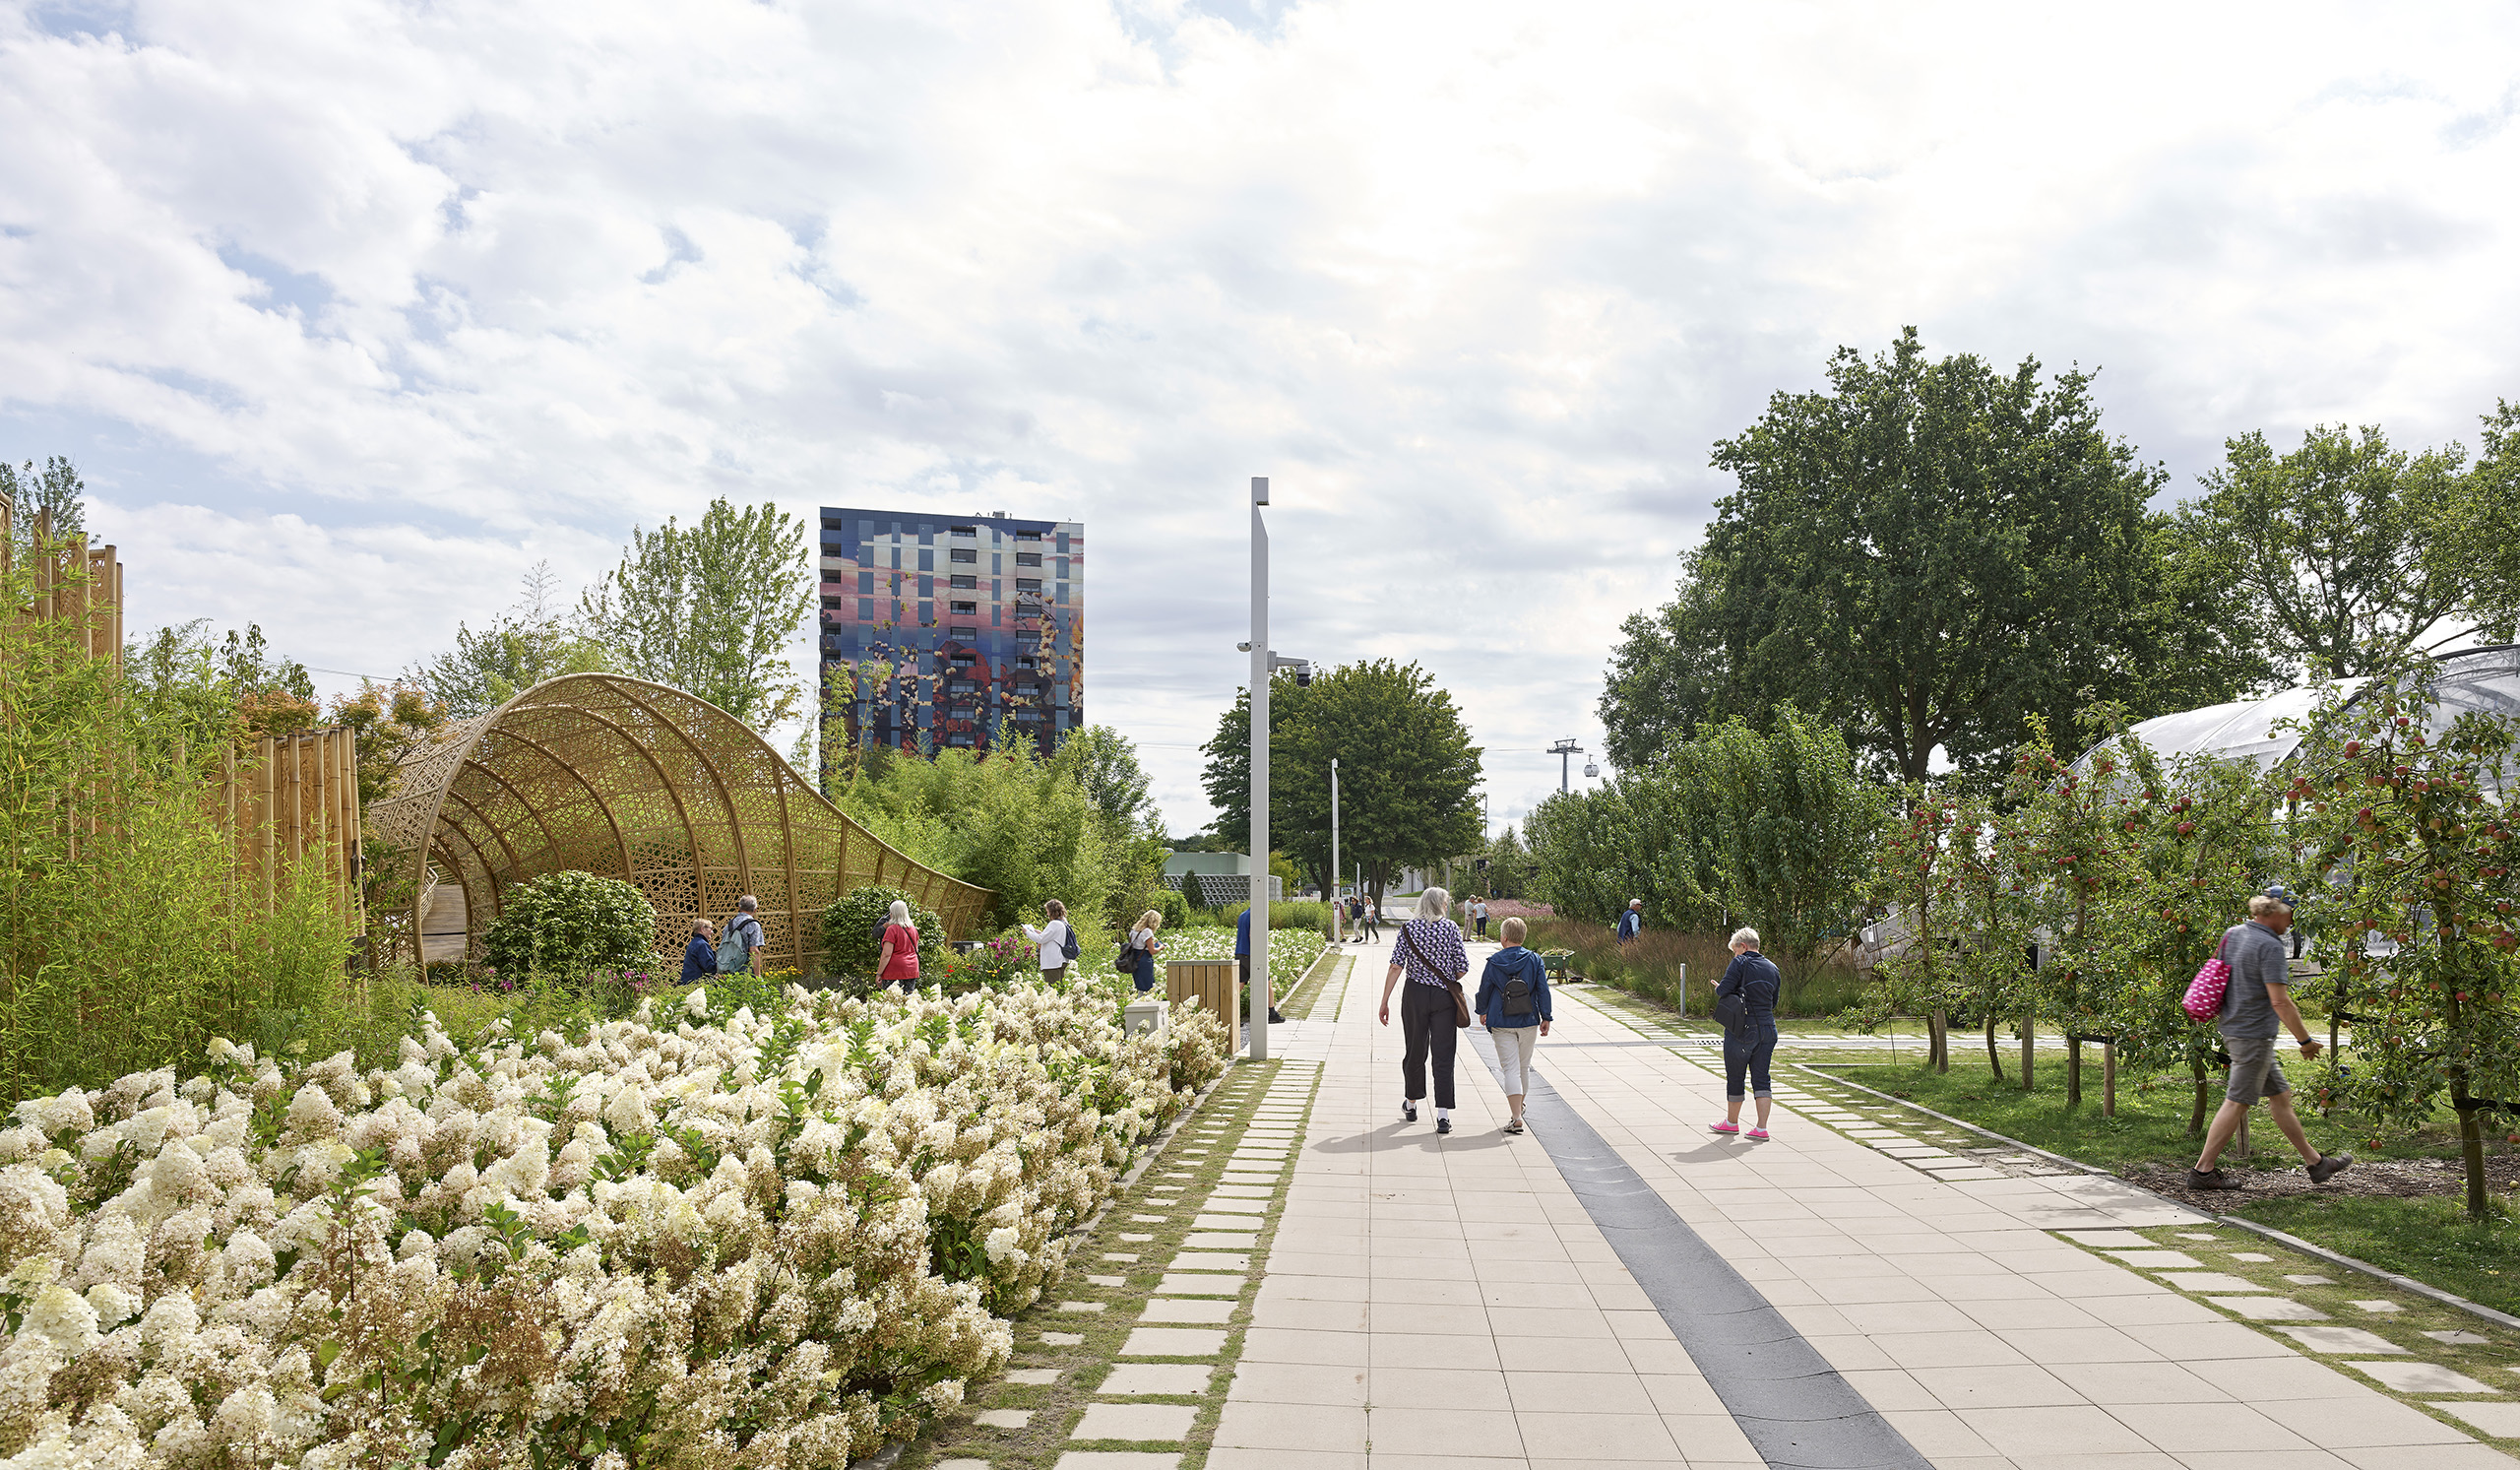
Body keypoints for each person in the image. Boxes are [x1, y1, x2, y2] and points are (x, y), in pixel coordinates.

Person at [2189, 891, 2353, 1189]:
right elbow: (2280, 1002)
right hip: (2252, 1036)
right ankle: (2202, 1172)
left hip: (2237, 1029)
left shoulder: (2233, 933)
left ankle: (2316, 1164)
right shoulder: (2270, 945)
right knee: (2237, 1102)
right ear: (2276, 911)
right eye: (2291, 914)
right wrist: (2305, 1041)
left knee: (2280, 1097)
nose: (2292, 922)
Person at [1377, 886, 1472, 1134]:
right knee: (1443, 1054)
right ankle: (1443, 1115)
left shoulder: (1408, 929)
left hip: (1415, 995)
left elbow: (1396, 966)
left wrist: (1385, 1001)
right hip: (1443, 998)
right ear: (1440, 904)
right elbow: (1462, 967)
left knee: (1415, 1049)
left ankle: (1411, 1103)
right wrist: (1445, 977)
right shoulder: (1450, 928)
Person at [1474, 917, 1552, 1133]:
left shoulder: (1494, 962)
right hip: (1528, 1020)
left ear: (1504, 937)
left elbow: (1485, 989)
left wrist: (1482, 1011)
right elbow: (1543, 990)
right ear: (1523, 937)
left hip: (1501, 1021)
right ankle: (1519, 1108)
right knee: (1523, 1067)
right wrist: (1546, 1017)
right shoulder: (1534, 959)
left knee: (1510, 1068)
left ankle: (1516, 1116)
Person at [1710, 927, 1781, 1140]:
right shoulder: (1773, 968)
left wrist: (1719, 988)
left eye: (1735, 951)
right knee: (1762, 1078)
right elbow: (1774, 1002)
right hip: (1768, 1029)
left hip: (1743, 1029)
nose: (1735, 955)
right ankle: (1761, 1128)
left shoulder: (1740, 962)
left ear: (1743, 946)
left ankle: (1731, 1123)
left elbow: (1723, 990)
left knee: (1736, 1076)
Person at [1235, 907, 1286, 1024]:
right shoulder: (1255, 916)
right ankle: (1272, 1014)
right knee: (1267, 983)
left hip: (1240, 953)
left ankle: (1233, 1015)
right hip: (1252, 954)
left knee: (1238, 986)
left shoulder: (1242, 915)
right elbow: (1253, 935)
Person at [1023, 900, 1072, 985]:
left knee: (1053, 988)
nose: (1047, 914)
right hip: (1061, 959)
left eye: (1048, 911)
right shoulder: (1064, 922)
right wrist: (1041, 933)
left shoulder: (1054, 924)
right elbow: (1053, 937)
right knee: (1059, 986)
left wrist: (1027, 932)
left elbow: (1040, 939)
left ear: (1052, 911)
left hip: (1053, 962)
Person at [876, 900, 921, 992]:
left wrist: (879, 974)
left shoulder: (892, 929)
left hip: (894, 970)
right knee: (908, 998)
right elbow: (916, 950)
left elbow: (886, 954)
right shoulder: (913, 929)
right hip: (912, 968)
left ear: (893, 913)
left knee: (890, 999)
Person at [720, 896, 767, 973]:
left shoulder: (729, 925)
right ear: (755, 909)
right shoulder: (753, 925)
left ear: (739, 907)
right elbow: (754, 950)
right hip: (745, 970)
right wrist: (757, 975)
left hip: (728, 968)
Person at [1128, 909, 1164, 993]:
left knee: (1140, 987)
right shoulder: (1147, 931)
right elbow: (1152, 951)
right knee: (1149, 988)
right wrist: (1160, 947)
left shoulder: (1134, 931)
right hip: (1144, 961)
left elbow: (1137, 945)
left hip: (1134, 960)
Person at [681, 919, 717, 984]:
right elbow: (710, 967)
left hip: (689, 982)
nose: (712, 932)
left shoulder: (694, 942)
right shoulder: (702, 945)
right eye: (711, 929)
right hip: (697, 984)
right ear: (702, 929)